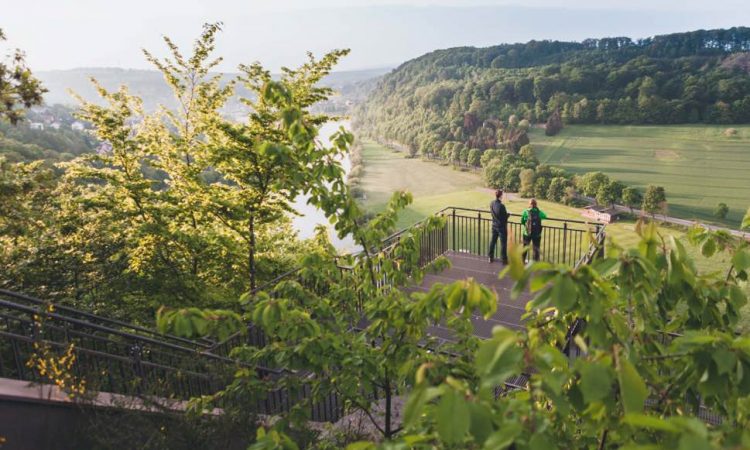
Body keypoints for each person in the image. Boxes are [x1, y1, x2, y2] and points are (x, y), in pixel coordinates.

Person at [488, 189, 509, 264]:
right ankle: (504, 259)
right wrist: (508, 215)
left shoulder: (492, 203)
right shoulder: (502, 206)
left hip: (494, 225)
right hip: (501, 227)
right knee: (503, 244)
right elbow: (504, 217)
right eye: (502, 195)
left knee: (493, 242)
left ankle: (490, 257)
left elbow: (493, 214)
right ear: (501, 196)